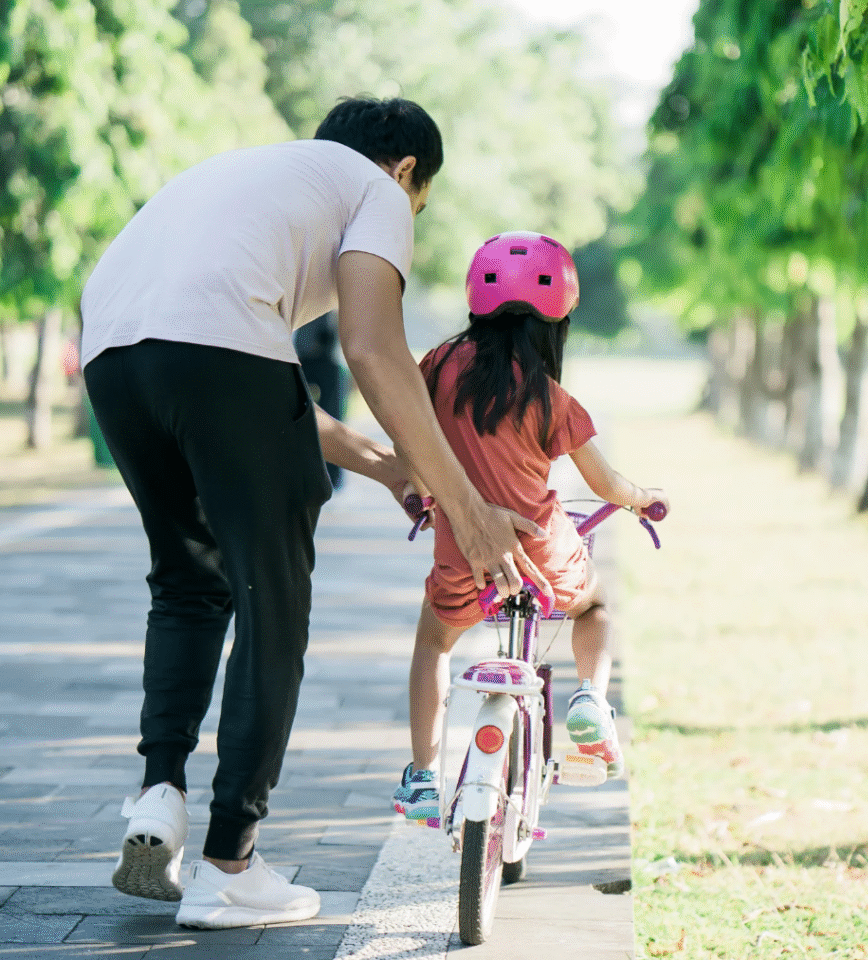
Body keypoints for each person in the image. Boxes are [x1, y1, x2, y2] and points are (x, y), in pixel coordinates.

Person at [79, 97, 552, 929]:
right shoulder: (374, 189)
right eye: (421, 203)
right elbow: (373, 348)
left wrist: (387, 464)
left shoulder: (252, 177)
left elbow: (261, 390)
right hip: (208, 357)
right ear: (406, 170)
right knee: (274, 602)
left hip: (112, 358)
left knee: (189, 582)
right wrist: (471, 508)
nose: (410, 219)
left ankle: (159, 797)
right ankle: (232, 864)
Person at [390, 231, 668, 825]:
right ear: (557, 319)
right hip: (544, 553)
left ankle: (420, 774)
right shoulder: (549, 396)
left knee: (434, 643)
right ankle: (590, 699)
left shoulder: (435, 368)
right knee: (594, 608)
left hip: (462, 555)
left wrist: (420, 486)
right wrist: (641, 500)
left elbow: (407, 432)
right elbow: (605, 486)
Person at [294, 311, 347, 488]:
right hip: (301, 355)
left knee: (332, 417)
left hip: (325, 356)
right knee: (297, 413)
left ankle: (332, 475)